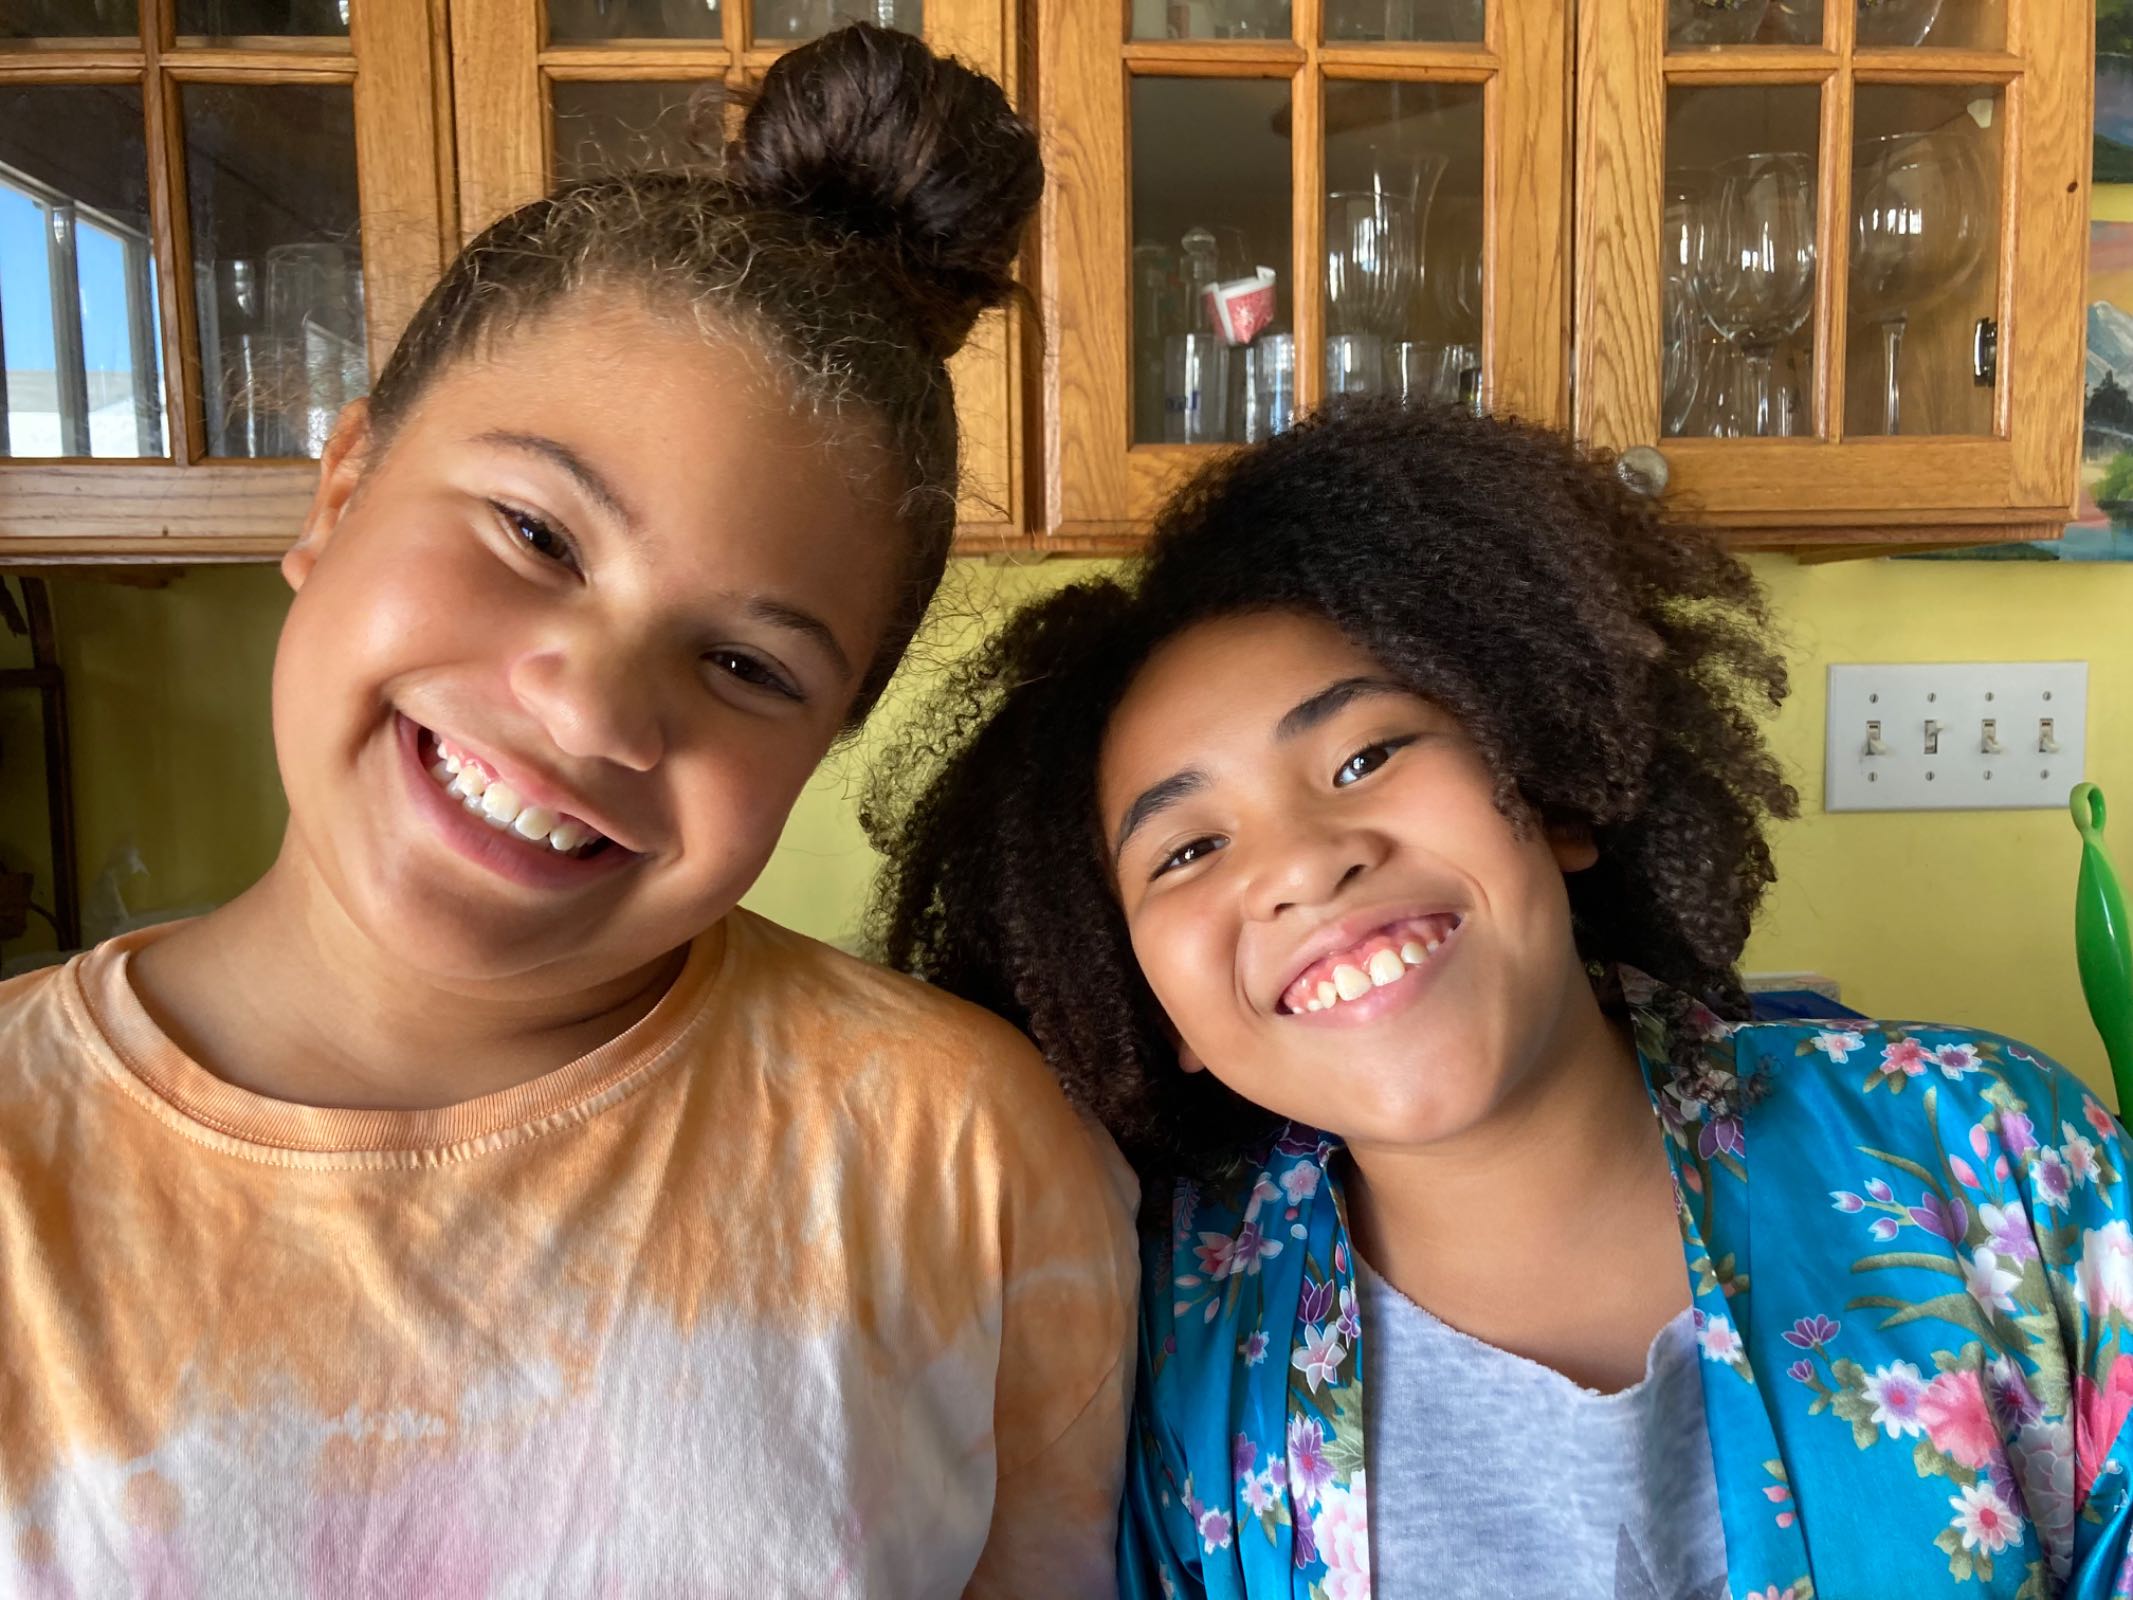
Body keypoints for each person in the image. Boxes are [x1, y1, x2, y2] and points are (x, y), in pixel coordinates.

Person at [0, 26, 1134, 1595]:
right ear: (344, 493)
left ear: (822, 746)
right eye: (535, 534)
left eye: (746, 665)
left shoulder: (960, 1154)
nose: (594, 710)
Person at [869, 399, 2133, 1598]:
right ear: (1143, 1006)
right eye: (1188, 849)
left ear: (1553, 786)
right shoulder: (1155, 1340)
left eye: (1365, 755)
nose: (1305, 864)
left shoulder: (1995, 1152)